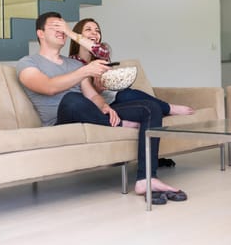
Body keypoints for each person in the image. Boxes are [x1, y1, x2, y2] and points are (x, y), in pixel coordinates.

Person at [16, 11, 187, 203]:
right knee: (72, 99)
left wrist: (104, 106)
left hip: (91, 112)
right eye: (55, 27)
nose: (61, 31)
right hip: (61, 118)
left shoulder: (72, 64)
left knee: (150, 108)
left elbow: (92, 96)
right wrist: (84, 71)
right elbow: (48, 87)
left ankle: (146, 178)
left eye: (64, 27)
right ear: (40, 33)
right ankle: (121, 124)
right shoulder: (27, 62)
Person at [55, 17, 194, 116]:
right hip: (91, 105)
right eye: (88, 30)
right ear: (78, 35)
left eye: (97, 30)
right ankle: (168, 108)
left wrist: (100, 88)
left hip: (110, 99)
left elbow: (99, 50)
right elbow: (84, 95)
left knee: (127, 94)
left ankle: (167, 108)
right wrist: (70, 33)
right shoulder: (71, 63)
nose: (94, 33)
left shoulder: (102, 54)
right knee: (125, 96)